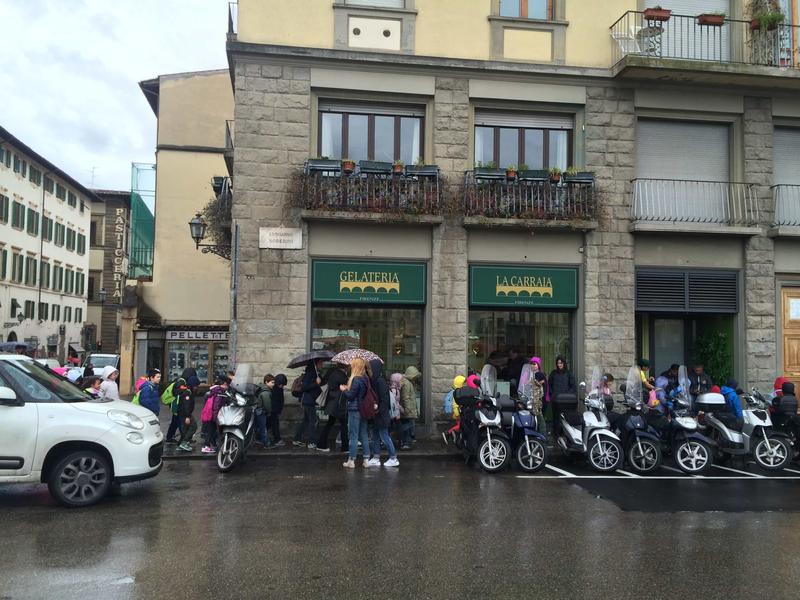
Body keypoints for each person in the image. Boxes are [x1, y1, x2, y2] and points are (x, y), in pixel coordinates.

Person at [339, 357, 373, 468]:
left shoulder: (356, 379)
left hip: (354, 410)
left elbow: (350, 396)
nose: (351, 366)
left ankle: (351, 460)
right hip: (363, 409)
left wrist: (344, 390)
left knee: (353, 435)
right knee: (363, 434)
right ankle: (366, 460)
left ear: (355, 366)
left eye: (352, 365)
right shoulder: (365, 378)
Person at [368, 359, 399, 467]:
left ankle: (393, 458)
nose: (369, 371)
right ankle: (376, 457)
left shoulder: (380, 381)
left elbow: (385, 400)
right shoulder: (374, 381)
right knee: (375, 436)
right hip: (376, 414)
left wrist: (378, 408)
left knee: (384, 436)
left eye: (370, 369)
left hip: (381, 414)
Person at [316, 363, 349, 453]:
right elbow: (348, 385)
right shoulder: (341, 375)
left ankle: (321, 444)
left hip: (332, 403)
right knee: (343, 425)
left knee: (330, 424)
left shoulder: (333, 373)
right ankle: (345, 447)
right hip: (338, 404)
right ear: (345, 366)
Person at [293, 359, 323, 449]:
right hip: (308, 401)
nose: (322, 365)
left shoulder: (315, 373)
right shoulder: (310, 373)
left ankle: (297, 439)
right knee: (312, 421)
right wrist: (316, 383)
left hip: (310, 400)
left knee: (306, 420)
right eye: (320, 363)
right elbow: (304, 387)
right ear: (316, 364)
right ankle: (312, 442)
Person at [548, 355, 576, 438]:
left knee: (565, 418)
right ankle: (556, 435)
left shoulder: (569, 374)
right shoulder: (553, 373)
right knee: (556, 418)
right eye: (558, 363)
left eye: (561, 363)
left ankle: (565, 434)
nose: (559, 365)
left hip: (566, 401)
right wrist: (552, 395)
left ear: (564, 363)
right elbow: (549, 385)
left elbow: (573, 386)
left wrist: (567, 395)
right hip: (556, 400)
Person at [201, 376, 230, 453]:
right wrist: (216, 417)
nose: (227, 387)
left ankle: (212, 445)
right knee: (211, 431)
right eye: (227, 385)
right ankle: (206, 446)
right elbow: (216, 406)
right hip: (213, 415)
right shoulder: (220, 393)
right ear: (224, 384)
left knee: (211, 430)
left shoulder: (215, 390)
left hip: (211, 415)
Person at [399, 366, 420, 450]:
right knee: (407, 427)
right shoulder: (407, 383)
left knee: (407, 426)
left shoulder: (408, 382)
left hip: (409, 409)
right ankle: (406, 444)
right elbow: (405, 397)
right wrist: (407, 409)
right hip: (408, 410)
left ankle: (406, 442)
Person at [442, 375, 466, 444]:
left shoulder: (458, 392)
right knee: (460, 426)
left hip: (458, 413)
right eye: (463, 383)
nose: (465, 385)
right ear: (459, 384)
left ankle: (454, 436)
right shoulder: (457, 393)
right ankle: (447, 433)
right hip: (458, 413)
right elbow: (455, 405)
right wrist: (457, 414)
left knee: (460, 426)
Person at [176, 379, 196, 452]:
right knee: (193, 426)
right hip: (185, 414)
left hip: (181, 413)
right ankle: (184, 443)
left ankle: (180, 445)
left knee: (185, 429)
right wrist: (187, 416)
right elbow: (186, 405)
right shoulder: (186, 392)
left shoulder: (179, 391)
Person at [256, 374, 274, 447]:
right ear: (266, 382)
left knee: (260, 427)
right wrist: (269, 412)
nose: (273, 384)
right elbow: (267, 405)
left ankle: (260, 439)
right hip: (262, 412)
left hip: (259, 411)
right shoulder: (266, 392)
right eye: (272, 382)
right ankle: (266, 443)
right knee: (263, 428)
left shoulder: (263, 390)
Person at [270, 374, 287, 446]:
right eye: (281, 384)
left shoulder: (278, 388)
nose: (282, 386)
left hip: (275, 410)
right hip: (273, 410)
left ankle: (276, 439)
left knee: (273, 424)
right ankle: (277, 440)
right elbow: (276, 400)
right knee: (275, 425)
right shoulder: (274, 389)